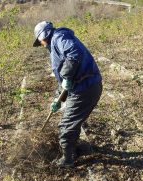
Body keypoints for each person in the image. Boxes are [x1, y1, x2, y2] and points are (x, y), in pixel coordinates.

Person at [33, 21, 102, 168]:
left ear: (44, 36)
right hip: (84, 87)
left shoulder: (59, 38)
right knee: (71, 123)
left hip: (86, 88)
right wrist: (58, 99)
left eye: (41, 41)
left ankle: (67, 160)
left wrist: (66, 77)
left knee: (66, 126)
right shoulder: (56, 43)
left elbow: (74, 54)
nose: (42, 45)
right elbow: (64, 80)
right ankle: (72, 149)